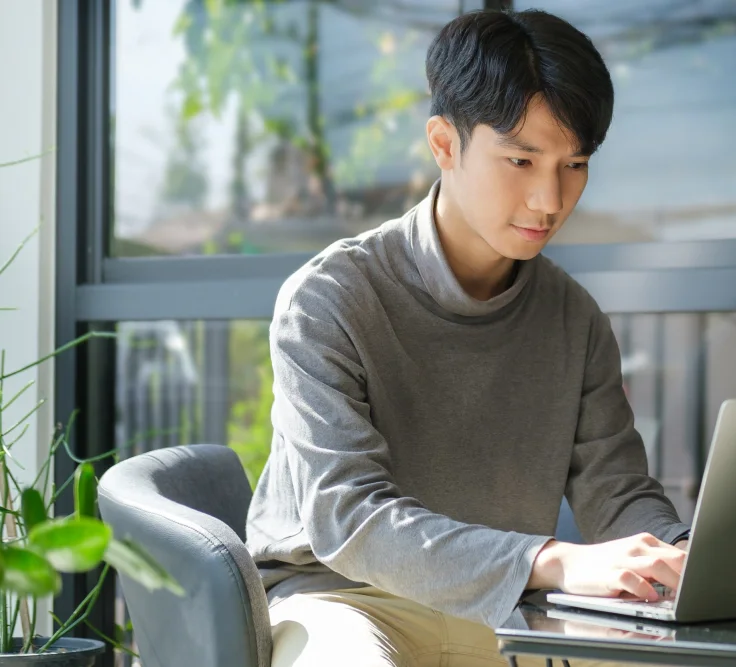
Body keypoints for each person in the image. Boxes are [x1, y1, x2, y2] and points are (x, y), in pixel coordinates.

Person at [245, 8, 691, 666]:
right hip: (343, 602)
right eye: (521, 159)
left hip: (507, 612)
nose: (550, 198)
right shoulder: (330, 299)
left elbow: (616, 493)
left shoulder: (575, 320)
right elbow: (348, 517)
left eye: (575, 164)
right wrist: (551, 559)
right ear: (445, 144)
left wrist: (682, 559)